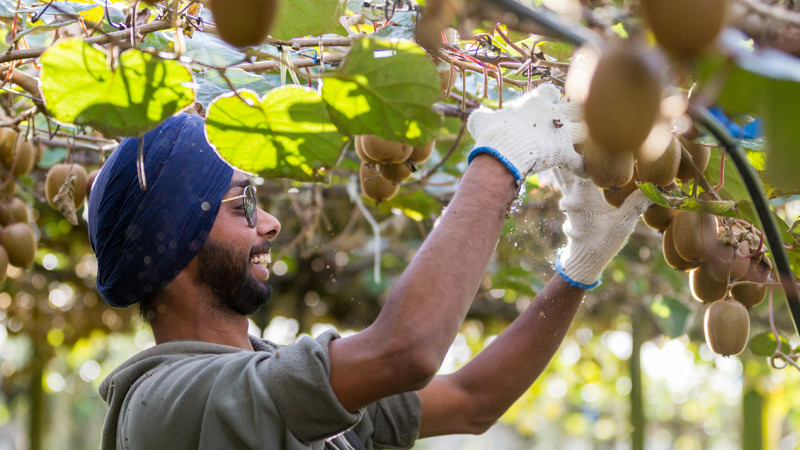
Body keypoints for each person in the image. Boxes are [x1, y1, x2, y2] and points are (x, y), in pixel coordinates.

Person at [88, 85, 650, 449]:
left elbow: (474, 401)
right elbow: (407, 351)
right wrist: (500, 160)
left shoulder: (271, 379)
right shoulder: (164, 405)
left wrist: (581, 263)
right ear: (177, 241)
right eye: (244, 203)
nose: (270, 224)